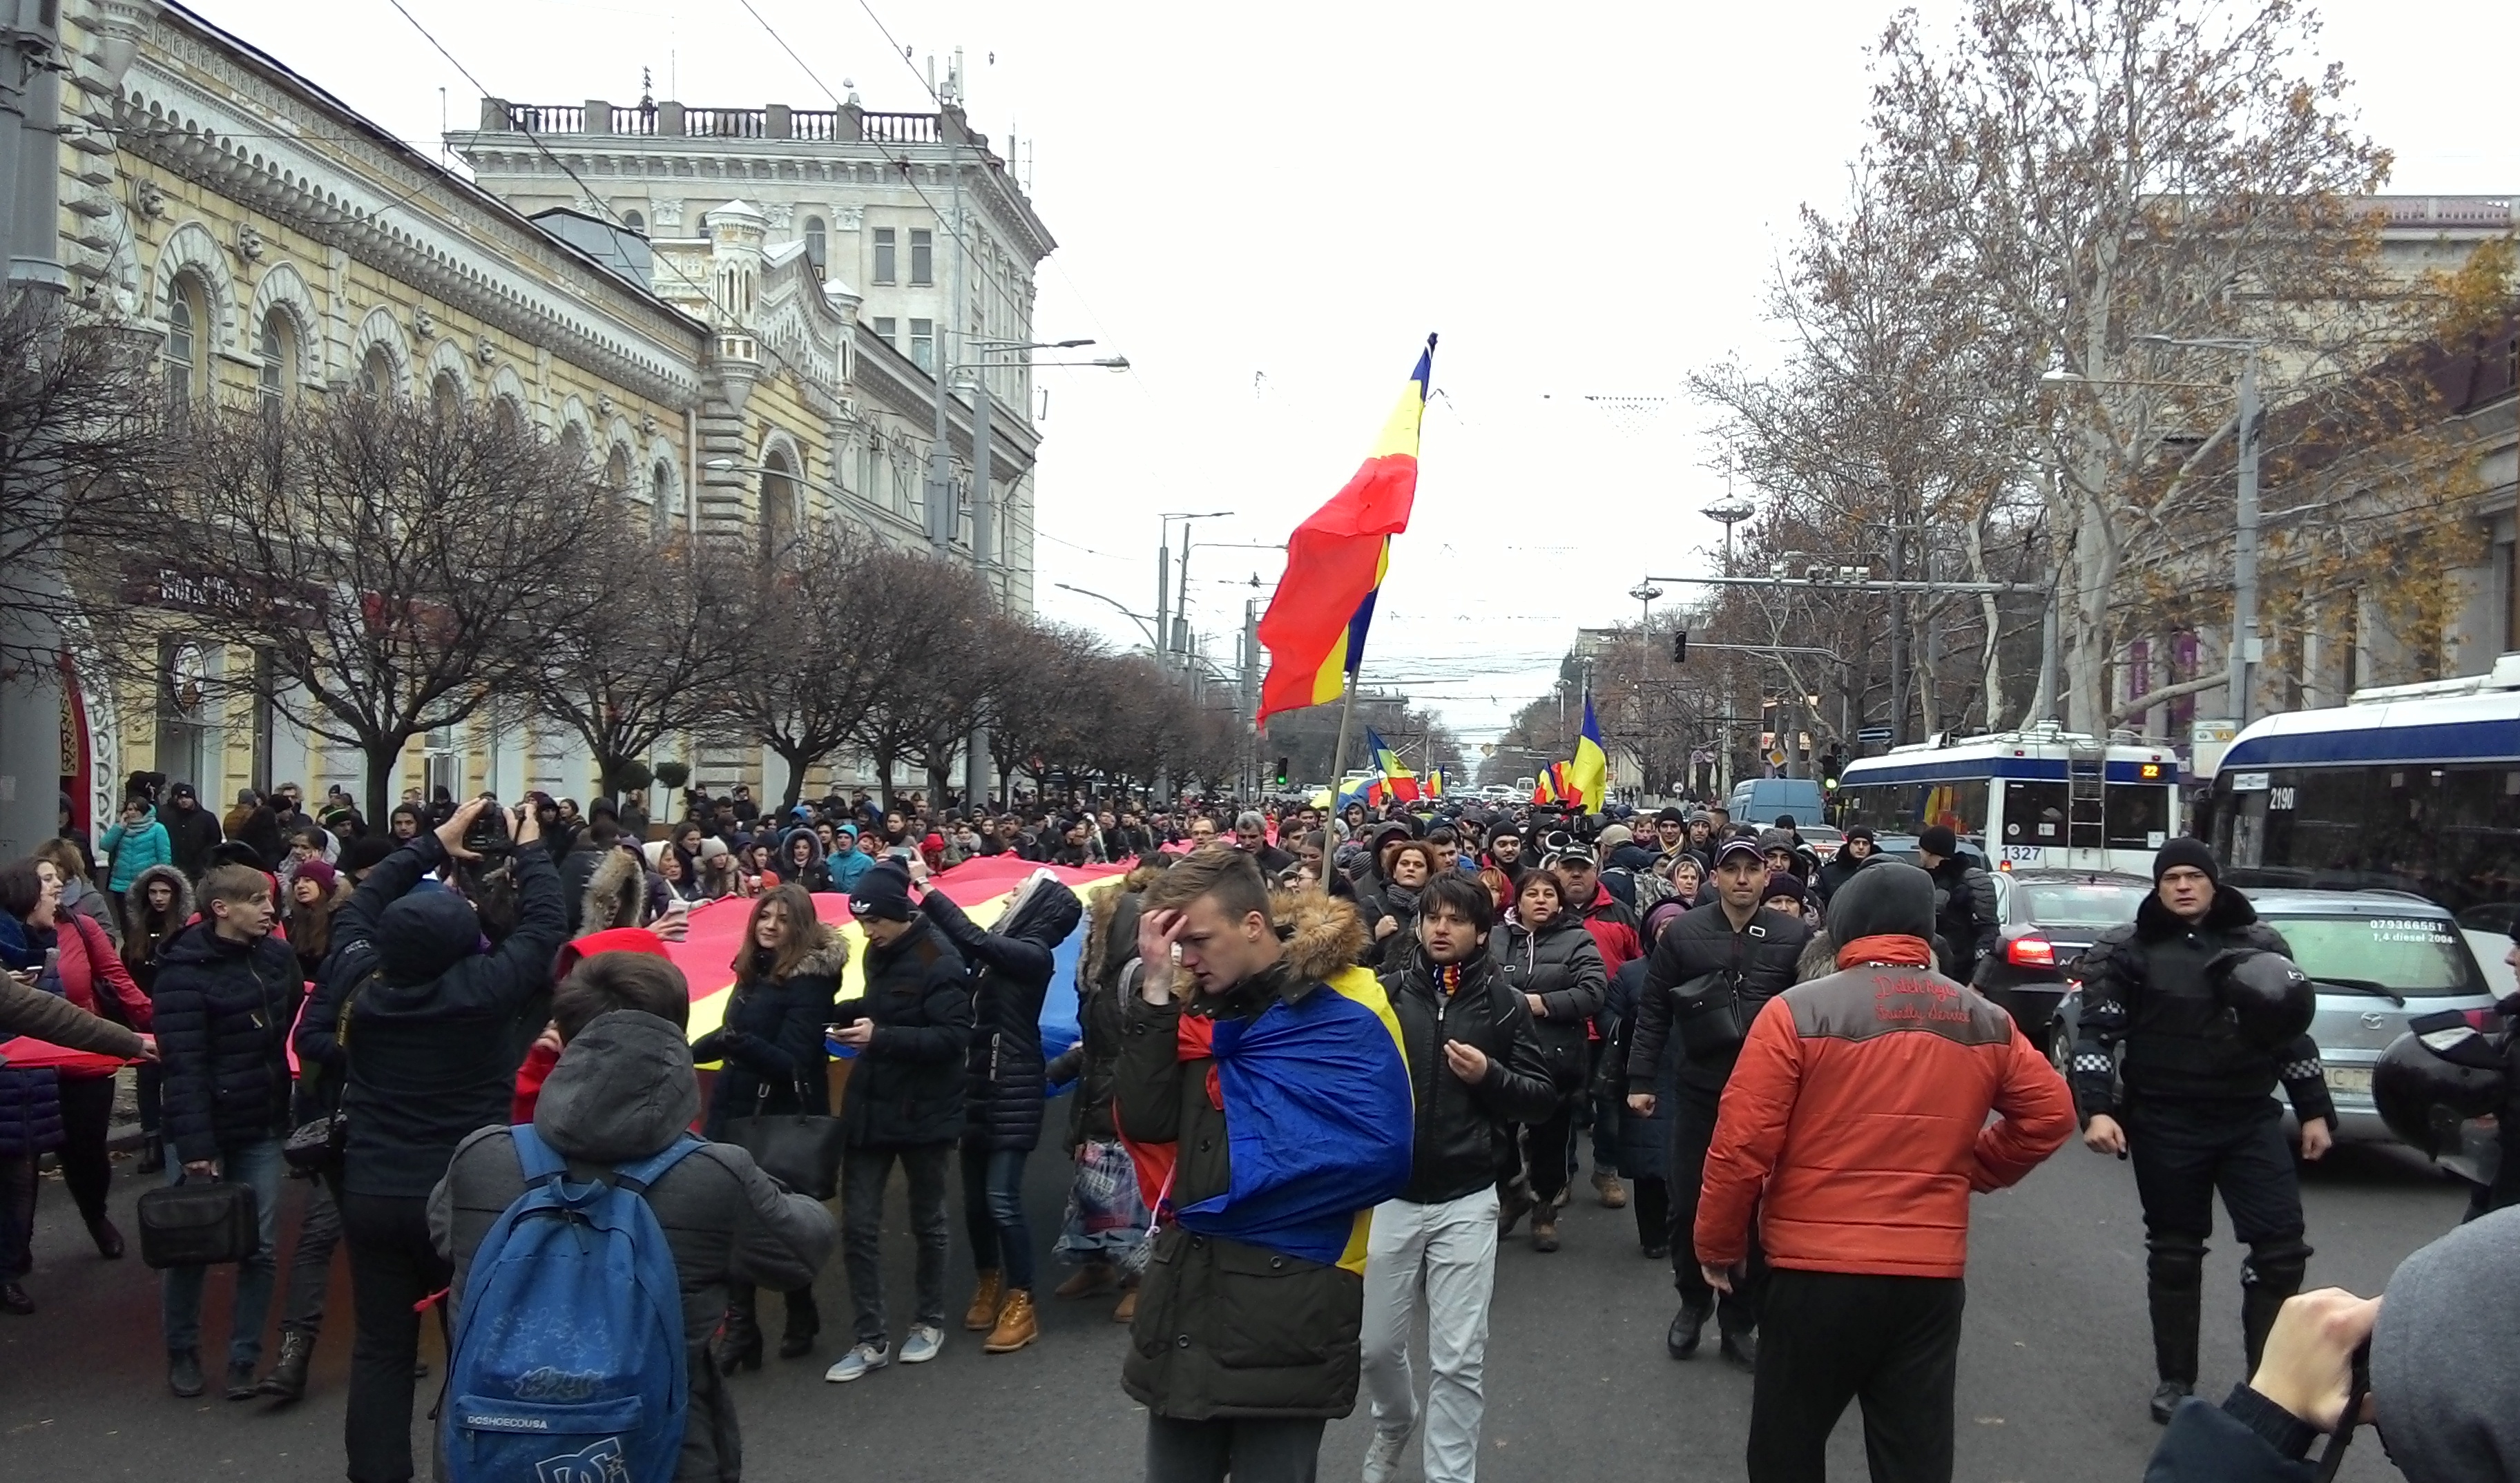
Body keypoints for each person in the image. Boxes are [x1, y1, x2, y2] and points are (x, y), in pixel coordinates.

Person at [1697, 860, 2073, 1483]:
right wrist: (1971, 1168)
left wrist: (1718, 1242)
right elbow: (2050, 1116)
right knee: (1912, 1453)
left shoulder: (1796, 1013)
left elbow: (1740, 1146)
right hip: (1926, 1277)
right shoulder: (1981, 1018)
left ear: (1843, 926)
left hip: (1812, 1269)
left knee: (1786, 1444)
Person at [430, 952, 836, 1483]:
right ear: (673, 1039)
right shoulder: (713, 1175)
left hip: (490, 1449)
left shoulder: (483, 1156)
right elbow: (802, 1249)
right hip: (658, 1454)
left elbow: (442, 1235)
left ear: (566, 1035)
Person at [1113, 846, 1412, 1483]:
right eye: (1175, 944)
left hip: (1289, 1302)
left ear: (1253, 925)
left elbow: (1375, 1157)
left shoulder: (1344, 1011)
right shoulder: (1192, 1008)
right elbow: (1145, 1123)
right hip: (1188, 1293)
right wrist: (1156, 988)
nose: (1187, 957)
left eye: (1196, 940)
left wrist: (1230, 1204)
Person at [302, 797, 565, 1483]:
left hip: (374, 1188)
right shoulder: (487, 990)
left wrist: (433, 845)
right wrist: (529, 849)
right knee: (474, 1342)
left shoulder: (363, 983)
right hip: (469, 1193)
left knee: (382, 1347)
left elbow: (357, 907)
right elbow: (546, 925)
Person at [2072, 837, 2336, 1424]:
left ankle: (2265, 1384)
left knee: (2280, 1250)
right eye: (2172, 878)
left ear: (2214, 883)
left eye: (2195, 876)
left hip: (2247, 1118)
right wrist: (2097, 1110)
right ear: (2158, 887)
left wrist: (2313, 1109)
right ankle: (2175, 1380)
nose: (2184, 886)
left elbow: (2288, 1031)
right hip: (2165, 1119)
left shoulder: (2258, 945)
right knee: (2174, 1252)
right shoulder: (2126, 952)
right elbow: (2095, 1036)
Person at [1360, 873, 1556, 1483]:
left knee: (1458, 1359)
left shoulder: (1501, 1006)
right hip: (1389, 1196)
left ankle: (1449, 1476)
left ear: (1480, 932)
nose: (1441, 929)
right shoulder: (1385, 996)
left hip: (1468, 1198)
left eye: (1456, 920)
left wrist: (1489, 1076)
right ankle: (1395, 1421)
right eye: (1432, 918)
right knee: (1376, 1349)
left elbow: (1539, 1100)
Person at [1626, 836, 1811, 1368]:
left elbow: (1816, 1018)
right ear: (1714, 878)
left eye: (1750, 870)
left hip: (1768, 1097)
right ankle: (1691, 1302)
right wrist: (1641, 1078)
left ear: (1765, 876)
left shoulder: (1793, 937)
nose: (1741, 880)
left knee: (1755, 1211)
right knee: (1687, 1205)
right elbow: (1654, 1011)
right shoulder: (1684, 933)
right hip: (1698, 1090)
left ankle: (1739, 1320)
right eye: (1729, 870)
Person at [916, 865, 1084, 1355]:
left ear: (1038, 906)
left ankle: (1021, 1299)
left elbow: (971, 939)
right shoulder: (997, 951)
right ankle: (987, 1281)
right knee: (973, 1201)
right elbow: (955, 954)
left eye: (1019, 891)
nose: (1009, 895)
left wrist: (925, 889)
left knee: (1001, 1199)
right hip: (976, 1084)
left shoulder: (1031, 954)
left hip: (1013, 1085)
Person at [153, 862, 300, 1400]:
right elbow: (182, 1064)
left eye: (271, 900)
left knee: (258, 1248)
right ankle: (183, 1351)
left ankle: (244, 1358)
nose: (270, 910)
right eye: (257, 901)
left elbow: (282, 1032)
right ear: (221, 908)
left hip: (260, 1123)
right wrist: (196, 1147)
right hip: (202, 1128)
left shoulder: (277, 957)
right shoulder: (183, 970)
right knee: (190, 1245)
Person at [822, 863, 973, 1384]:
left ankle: (929, 1322)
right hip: (870, 1107)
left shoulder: (942, 959)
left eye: (875, 923)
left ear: (900, 914)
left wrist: (879, 1036)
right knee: (858, 1225)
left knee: (928, 1221)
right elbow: (885, 1004)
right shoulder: (877, 952)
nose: (868, 933)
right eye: (862, 924)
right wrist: (848, 1013)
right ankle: (869, 1339)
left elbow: (953, 1039)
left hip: (925, 1111)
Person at [691, 884, 846, 1370]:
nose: (769, 925)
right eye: (764, 916)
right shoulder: (753, 971)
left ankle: (788, 1317)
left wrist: (738, 1044)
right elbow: (735, 1035)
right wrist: (688, 1051)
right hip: (734, 1112)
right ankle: (746, 1330)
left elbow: (796, 1064)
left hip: (777, 1117)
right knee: (729, 1218)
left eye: (781, 919)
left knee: (774, 1223)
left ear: (798, 927)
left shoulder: (810, 982)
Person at [1045, 859, 1168, 1322]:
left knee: (1126, 1196)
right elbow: (1096, 1042)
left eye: (1098, 926)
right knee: (1091, 1191)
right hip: (1097, 1092)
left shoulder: (1136, 978)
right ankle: (1095, 1264)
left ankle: (1140, 1277)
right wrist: (1062, 1069)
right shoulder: (1103, 980)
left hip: (1122, 1097)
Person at [19, 856, 151, 1262]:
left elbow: (115, 976)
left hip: (86, 1052)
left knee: (88, 1151)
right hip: (29, 1063)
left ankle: (97, 1216)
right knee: (22, 1160)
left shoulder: (81, 926)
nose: (57, 885)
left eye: (59, 877)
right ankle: (15, 1255)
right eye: (46, 879)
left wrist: (154, 1024)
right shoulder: (11, 934)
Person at [1493, 869, 1607, 1252]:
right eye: (1532, 894)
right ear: (1518, 901)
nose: (1540, 900)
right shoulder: (1495, 937)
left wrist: (1542, 1004)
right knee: (1497, 1135)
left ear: (1559, 902)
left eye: (1548, 894)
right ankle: (1513, 1193)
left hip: (1555, 1055)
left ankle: (1544, 1211)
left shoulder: (1577, 939)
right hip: (1502, 1053)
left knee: (1550, 1140)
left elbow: (1593, 992)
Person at [120, 864, 192, 1174]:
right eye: (154, 892)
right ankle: (152, 1141)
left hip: (178, 1015)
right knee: (148, 1080)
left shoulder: (186, 931)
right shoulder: (138, 932)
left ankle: (178, 1140)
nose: (159, 898)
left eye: (165, 892)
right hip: (145, 1017)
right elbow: (126, 971)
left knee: (178, 1080)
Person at [1914, 825, 1996, 984]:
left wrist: (1977, 984)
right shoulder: (1921, 880)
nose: (1920, 853)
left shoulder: (1971, 881)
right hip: (1926, 975)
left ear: (1928, 851)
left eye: (1921, 849)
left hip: (1962, 978)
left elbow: (1989, 934)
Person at [160, 782, 227, 879]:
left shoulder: (207, 818)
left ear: (193, 799)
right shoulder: (171, 818)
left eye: (187, 798)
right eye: (181, 798)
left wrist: (205, 859)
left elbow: (215, 840)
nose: (183, 801)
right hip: (176, 867)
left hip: (200, 868)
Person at [1816, 826, 1878, 903]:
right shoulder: (1827, 873)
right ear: (1849, 844)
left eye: (1865, 844)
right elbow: (1818, 902)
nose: (1861, 847)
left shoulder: (1880, 870)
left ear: (1871, 846)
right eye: (1856, 843)